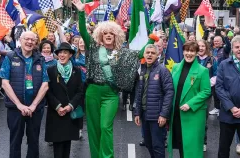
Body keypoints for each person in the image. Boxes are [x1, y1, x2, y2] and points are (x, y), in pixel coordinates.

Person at [72, 0, 157, 157]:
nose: (108, 36)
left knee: (105, 127)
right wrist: (81, 12)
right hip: (92, 92)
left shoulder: (122, 52)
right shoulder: (93, 47)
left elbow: (139, 55)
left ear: (116, 36)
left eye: (111, 34)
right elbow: (83, 31)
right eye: (105, 33)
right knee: (94, 128)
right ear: (100, 35)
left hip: (110, 94)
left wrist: (152, 38)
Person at [0, 31, 49, 158]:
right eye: (27, 39)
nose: (30, 42)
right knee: (15, 141)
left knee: (33, 142)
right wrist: (19, 105)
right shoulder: (10, 57)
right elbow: (5, 83)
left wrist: (33, 105)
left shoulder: (40, 59)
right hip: (15, 109)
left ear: (36, 42)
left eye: (33, 40)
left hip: (35, 109)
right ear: (20, 40)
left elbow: (45, 84)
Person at [168, 41, 211, 158]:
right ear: (183, 51)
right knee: (181, 144)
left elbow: (206, 91)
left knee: (191, 148)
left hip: (193, 114)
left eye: (192, 51)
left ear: (196, 53)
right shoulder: (176, 67)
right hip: (177, 113)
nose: (189, 53)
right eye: (187, 50)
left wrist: (190, 104)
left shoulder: (203, 71)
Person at [134, 44, 174, 158]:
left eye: (152, 53)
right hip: (145, 114)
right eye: (147, 52)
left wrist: (163, 114)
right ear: (144, 54)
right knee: (148, 143)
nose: (149, 55)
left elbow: (169, 93)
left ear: (157, 55)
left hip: (157, 116)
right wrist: (137, 112)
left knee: (158, 146)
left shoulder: (163, 71)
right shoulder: (142, 70)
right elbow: (139, 92)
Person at [45, 42, 84, 158]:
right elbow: (47, 91)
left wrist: (71, 106)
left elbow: (80, 91)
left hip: (69, 111)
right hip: (55, 112)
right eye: (60, 52)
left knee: (67, 143)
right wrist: (57, 106)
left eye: (65, 52)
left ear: (70, 55)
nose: (62, 55)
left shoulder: (77, 71)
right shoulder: (51, 70)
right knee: (57, 145)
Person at [196, 40, 216, 152]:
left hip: (206, 93)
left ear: (206, 47)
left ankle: (203, 141)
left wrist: (206, 84)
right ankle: (194, 140)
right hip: (193, 92)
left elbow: (216, 75)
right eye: (199, 46)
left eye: (203, 46)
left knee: (203, 118)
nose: (201, 48)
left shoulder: (212, 60)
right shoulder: (193, 58)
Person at [208, 34, 231, 116]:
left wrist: (225, 37)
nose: (216, 42)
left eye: (218, 41)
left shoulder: (225, 50)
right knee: (214, 93)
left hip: (223, 75)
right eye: (215, 41)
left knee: (222, 93)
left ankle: (224, 108)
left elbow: (229, 45)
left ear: (221, 42)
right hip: (214, 75)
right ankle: (217, 108)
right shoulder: (214, 50)